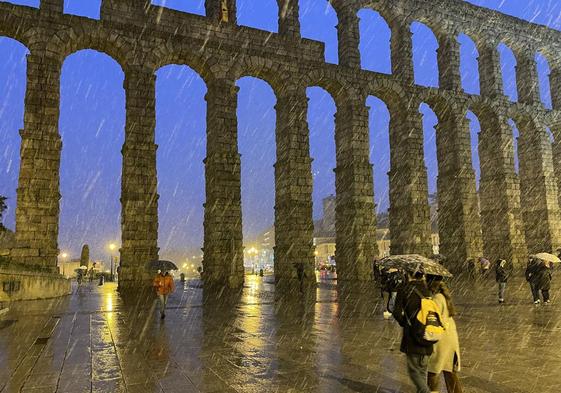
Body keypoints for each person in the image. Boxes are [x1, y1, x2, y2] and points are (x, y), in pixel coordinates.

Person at [393, 269, 434, 393]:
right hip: (427, 334)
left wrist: (405, 322)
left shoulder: (404, 289)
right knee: (422, 370)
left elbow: (396, 312)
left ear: (409, 274)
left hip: (412, 336)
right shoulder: (427, 290)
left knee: (414, 371)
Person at [426, 276, 462, 393]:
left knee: (433, 371)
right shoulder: (444, 297)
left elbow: (434, 320)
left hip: (441, 341)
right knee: (449, 371)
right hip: (450, 338)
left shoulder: (437, 298)